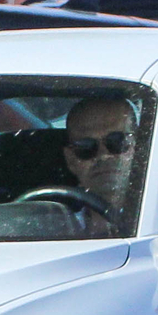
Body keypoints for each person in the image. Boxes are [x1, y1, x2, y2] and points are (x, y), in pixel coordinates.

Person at [60, 96, 141, 234]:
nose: (103, 155)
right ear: (71, 160)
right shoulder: (55, 231)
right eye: (86, 147)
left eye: (117, 142)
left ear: (140, 147)